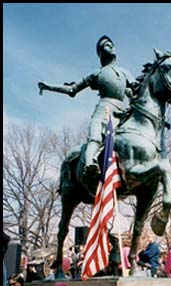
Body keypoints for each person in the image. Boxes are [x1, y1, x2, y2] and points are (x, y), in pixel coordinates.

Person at [38, 35, 135, 188]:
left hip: (122, 115)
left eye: (112, 44)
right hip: (103, 111)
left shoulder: (125, 73)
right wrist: (49, 86)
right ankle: (90, 165)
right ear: (101, 53)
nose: (111, 46)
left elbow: (138, 92)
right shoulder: (97, 73)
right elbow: (72, 89)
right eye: (106, 46)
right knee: (95, 138)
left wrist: (131, 93)